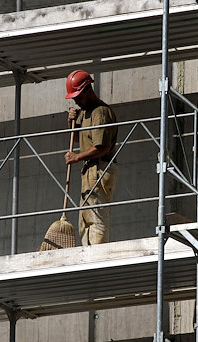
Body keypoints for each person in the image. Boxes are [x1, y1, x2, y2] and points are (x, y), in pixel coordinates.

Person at [63, 70, 118, 245]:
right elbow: (78, 138)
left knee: (96, 218)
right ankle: (88, 251)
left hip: (99, 168)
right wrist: (71, 122)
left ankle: (97, 255)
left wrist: (77, 157)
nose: (76, 101)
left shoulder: (100, 112)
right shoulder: (85, 113)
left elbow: (102, 147)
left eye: (78, 96)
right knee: (85, 219)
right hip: (90, 169)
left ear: (88, 90)